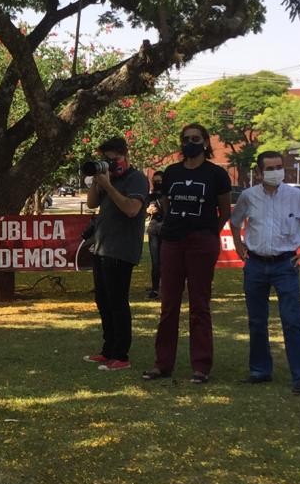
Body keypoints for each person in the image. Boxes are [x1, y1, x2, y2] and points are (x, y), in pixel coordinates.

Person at [144, 124, 232, 384]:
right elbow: (168, 206)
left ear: (206, 142)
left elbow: (225, 211)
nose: (190, 143)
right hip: (172, 241)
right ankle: (163, 364)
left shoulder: (216, 174)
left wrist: (208, 233)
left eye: (195, 139)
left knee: (199, 305)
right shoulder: (171, 172)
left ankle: (201, 366)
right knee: (168, 305)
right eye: (186, 139)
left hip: (201, 243)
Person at [228, 151, 300, 392]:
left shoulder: (297, 196)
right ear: (259, 172)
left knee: (292, 321)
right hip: (256, 263)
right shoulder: (248, 196)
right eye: (269, 168)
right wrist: (238, 246)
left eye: (279, 167)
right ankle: (260, 370)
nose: (275, 172)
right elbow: (235, 221)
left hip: (286, 264)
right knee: (257, 321)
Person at [82, 137, 148, 372]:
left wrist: (109, 186)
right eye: (105, 160)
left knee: (118, 302)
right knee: (103, 300)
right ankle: (108, 350)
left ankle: (121, 355)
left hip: (121, 249)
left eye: (113, 160)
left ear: (125, 155)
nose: (110, 164)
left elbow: (132, 209)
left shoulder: (136, 178)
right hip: (102, 246)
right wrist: (96, 182)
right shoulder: (109, 179)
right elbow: (91, 204)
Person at [145, 172, 165, 299]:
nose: (156, 183)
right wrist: (147, 211)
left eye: (159, 180)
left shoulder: (168, 195)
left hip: (166, 229)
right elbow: (144, 212)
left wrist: (161, 208)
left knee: (167, 260)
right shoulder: (150, 196)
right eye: (154, 180)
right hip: (153, 230)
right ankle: (155, 288)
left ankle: (167, 286)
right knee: (155, 261)